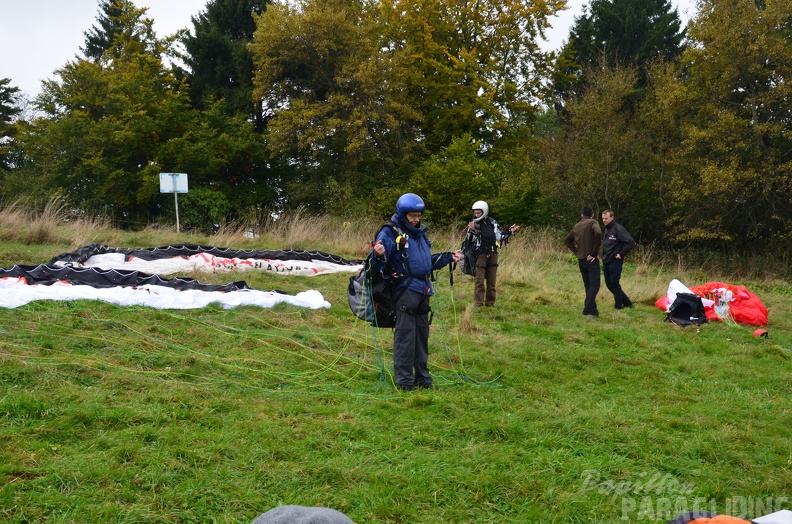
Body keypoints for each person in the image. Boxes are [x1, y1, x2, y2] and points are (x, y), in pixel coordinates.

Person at [372, 193, 462, 391]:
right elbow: (377, 259)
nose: (416, 219)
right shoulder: (389, 232)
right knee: (406, 338)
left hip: (423, 291)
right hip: (404, 292)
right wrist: (377, 254)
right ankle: (405, 382)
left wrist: (448, 258)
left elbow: (426, 263)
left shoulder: (420, 235)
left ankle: (423, 379)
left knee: (421, 337)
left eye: (419, 215)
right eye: (412, 215)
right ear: (402, 214)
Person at [464, 201, 519, 307]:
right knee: (479, 281)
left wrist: (510, 231)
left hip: (493, 254)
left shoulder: (493, 223)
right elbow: (469, 241)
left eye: (479, 213)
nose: (476, 215)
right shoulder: (473, 224)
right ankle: (478, 304)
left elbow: (499, 237)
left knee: (491, 281)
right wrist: (471, 231)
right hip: (480, 255)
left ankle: (490, 304)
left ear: (484, 212)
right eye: (475, 213)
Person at [564, 206, 602, 317]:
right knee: (595, 285)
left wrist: (577, 251)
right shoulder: (593, 222)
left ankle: (593, 311)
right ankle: (587, 310)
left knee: (588, 285)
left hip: (581, 260)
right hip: (591, 259)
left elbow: (567, 240)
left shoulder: (576, 226)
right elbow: (598, 233)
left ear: (581, 215)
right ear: (593, 215)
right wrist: (595, 252)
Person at [601, 209, 635, 309]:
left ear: (612, 217)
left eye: (606, 218)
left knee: (614, 283)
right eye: (603, 218)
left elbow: (630, 242)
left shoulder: (618, 229)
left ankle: (618, 305)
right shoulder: (607, 229)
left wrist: (621, 254)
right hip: (606, 260)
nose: (604, 220)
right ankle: (628, 302)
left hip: (615, 261)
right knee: (609, 284)